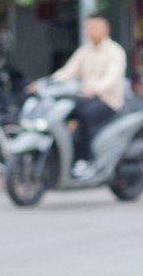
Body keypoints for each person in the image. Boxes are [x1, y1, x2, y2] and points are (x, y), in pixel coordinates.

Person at [38, 16, 127, 178]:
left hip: (107, 101)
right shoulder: (85, 51)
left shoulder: (115, 52)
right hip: (85, 99)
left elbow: (112, 77)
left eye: (94, 28)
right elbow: (68, 72)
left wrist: (95, 89)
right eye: (89, 28)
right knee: (61, 114)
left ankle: (86, 160)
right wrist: (46, 82)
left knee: (84, 116)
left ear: (106, 30)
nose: (90, 31)